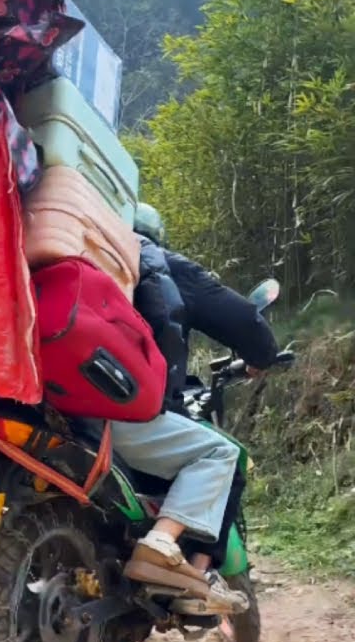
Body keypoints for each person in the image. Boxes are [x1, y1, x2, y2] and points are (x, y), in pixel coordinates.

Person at [116, 203, 280, 615]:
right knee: (224, 455)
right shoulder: (161, 263)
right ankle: (190, 573)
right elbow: (241, 318)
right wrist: (261, 355)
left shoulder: (71, 254)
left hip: (41, 409)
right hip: (117, 410)